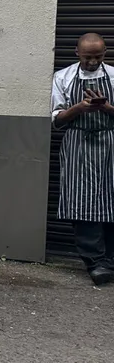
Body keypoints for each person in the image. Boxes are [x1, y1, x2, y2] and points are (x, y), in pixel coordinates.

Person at [52, 32, 114, 285]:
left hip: (110, 141)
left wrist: (106, 108)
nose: (92, 61)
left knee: (111, 199)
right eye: (88, 57)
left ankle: (110, 259)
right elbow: (56, 120)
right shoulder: (63, 77)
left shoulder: (113, 75)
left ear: (105, 53)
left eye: (97, 56)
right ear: (77, 53)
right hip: (78, 143)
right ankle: (95, 262)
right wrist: (80, 108)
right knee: (82, 201)